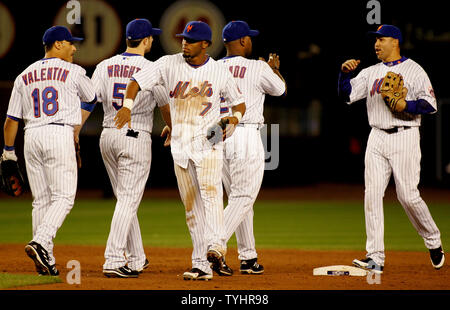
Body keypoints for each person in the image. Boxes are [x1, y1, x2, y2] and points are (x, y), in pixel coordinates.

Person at [114, 21, 246, 281]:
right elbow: (136, 81)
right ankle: (201, 264)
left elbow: (239, 104)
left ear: (206, 44)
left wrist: (234, 119)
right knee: (191, 208)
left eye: (191, 40)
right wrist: (128, 105)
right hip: (180, 145)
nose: (184, 43)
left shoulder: (220, 71)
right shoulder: (167, 63)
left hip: (210, 139)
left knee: (211, 195)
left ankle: (217, 247)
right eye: (183, 38)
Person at [338, 24, 444, 274]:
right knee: (372, 195)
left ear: (395, 42)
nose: (376, 44)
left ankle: (433, 240)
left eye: (381, 39)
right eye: (374, 40)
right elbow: (347, 95)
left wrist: (405, 103)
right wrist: (343, 74)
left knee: (407, 195)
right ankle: (375, 257)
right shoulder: (370, 71)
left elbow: (430, 105)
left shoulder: (414, 70)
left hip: (405, 135)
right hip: (376, 137)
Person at [2, 26, 96, 275]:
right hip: (58, 132)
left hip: (31, 135)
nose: (74, 47)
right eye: (70, 43)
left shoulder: (24, 75)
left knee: (41, 200)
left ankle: (46, 259)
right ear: (57, 45)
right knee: (64, 197)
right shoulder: (74, 71)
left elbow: (11, 120)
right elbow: (91, 96)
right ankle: (41, 242)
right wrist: (77, 125)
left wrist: (8, 152)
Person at [89, 19, 171, 278]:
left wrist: (75, 131)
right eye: (151, 38)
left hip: (107, 135)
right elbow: (164, 105)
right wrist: (173, 128)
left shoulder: (104, 65)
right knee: (128, 199)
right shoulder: (151, 67)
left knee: (125, 198)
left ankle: (136, 257)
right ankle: (113, 259)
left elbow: (90, 100)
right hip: (135, 135)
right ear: (146, 40)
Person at [214, 21, 286, 276]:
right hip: (244, 130)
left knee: (239, 199)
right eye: (249, 38)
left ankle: (248, 257)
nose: (251, 41)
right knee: (244, 197)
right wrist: (273, 69)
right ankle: (213, 242)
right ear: (243, 41)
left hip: (216, 134)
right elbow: (280, 90)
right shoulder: (257, 67)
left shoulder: (212, 67)